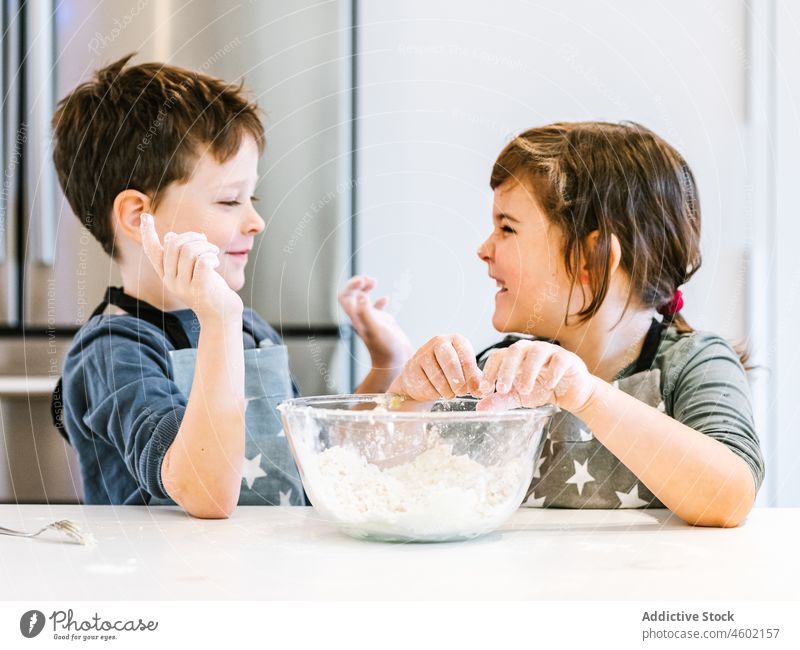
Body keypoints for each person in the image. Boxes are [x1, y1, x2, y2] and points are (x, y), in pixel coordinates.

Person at [53, 55, 410, 517]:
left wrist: (386, 365)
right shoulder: (115, 350)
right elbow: (204, 491)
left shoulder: (250, 332)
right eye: (228, 200)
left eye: (251, 198)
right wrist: (219, 321)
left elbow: (317, 461)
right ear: (140, 218)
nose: (256, 220)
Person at [385, 122, 764, 527]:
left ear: (593, 259)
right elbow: (400, 483)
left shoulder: (691, 364)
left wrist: (587, 397)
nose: (483, 249)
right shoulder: (502, 371)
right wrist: (408, 401)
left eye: (507, 227)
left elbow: (730, 498)